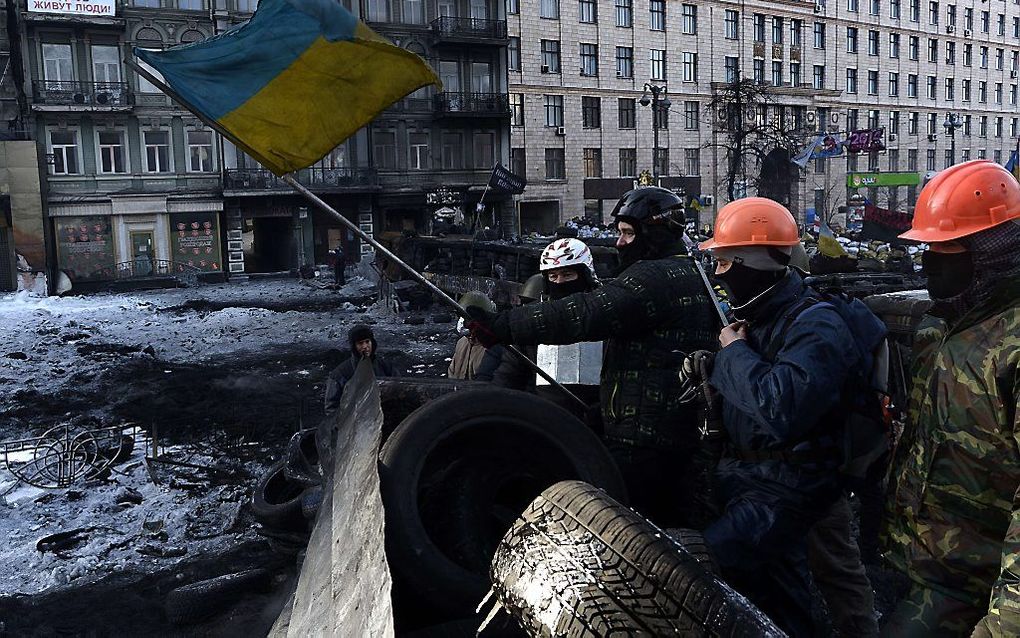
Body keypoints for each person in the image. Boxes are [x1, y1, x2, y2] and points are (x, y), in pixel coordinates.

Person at [468, 187, 720, 527]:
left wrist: (502, 324)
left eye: (628, 233)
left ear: (654, 232)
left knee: (628, 536)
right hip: (671, 433)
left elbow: (583, 314)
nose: (620, 243)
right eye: (619, 233)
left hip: (642, 438)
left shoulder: (652, 278)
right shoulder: (691, 271)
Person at [698, 197, 886, 637]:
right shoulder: (764, 316)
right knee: (786, 590)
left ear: (755, 264)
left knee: (835, 579)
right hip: (762, 478)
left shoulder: (814, 323)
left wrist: (734, 355)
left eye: (726, 264)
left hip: (799, 483)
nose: (719, 277)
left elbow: (781, 406)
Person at [882, 159, 1020, 638]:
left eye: (947, 248)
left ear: (991, 252)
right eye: (928, 247)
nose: (930, 261)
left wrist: (1004, 624)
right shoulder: (945, 326)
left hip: (984, 585)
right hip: (928, 565)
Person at [324, 324, 398, 414]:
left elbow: (399, 390)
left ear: (372, 342)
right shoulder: (340, 374)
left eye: (367, 342)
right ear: (354, 346)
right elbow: (331, 408)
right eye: (360, 343)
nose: (365, 346)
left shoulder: (386, 366)